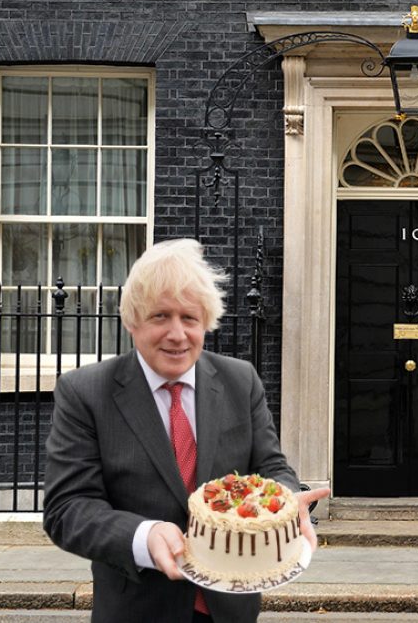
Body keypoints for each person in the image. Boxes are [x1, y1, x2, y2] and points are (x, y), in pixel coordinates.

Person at [43, 238, 329, 623]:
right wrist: (143, 536)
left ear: (205, 322)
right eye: (160, 316)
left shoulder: (239, 381)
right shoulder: (85, 392)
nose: (177, 334)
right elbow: (68, 509)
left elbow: (271, 468)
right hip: (138, 609)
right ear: (132, 321)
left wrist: (283, 503)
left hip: (231, 605)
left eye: (190, 318)